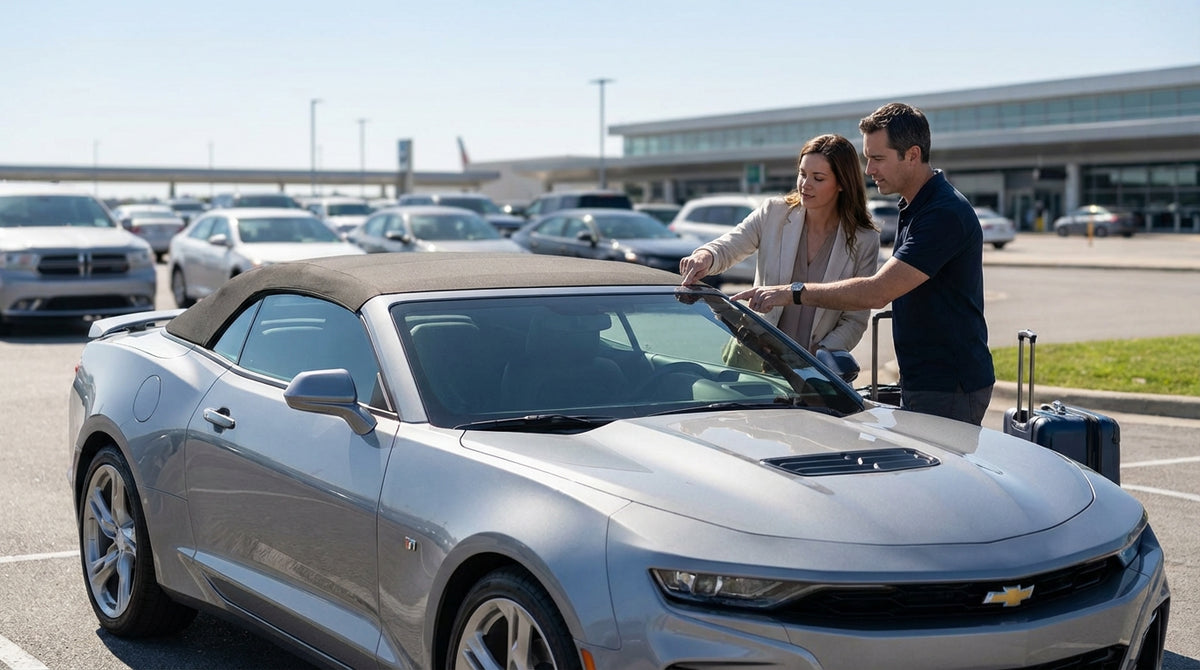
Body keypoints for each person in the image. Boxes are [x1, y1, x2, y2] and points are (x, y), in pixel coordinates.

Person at [727, 103, 994, 425]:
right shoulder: (916, 207)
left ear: (912, 154)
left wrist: (793, 292)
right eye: (868, 158)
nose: (869, 170)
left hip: (950, 384)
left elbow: (877, 292)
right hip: (926, 379)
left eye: (878, 159)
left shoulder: (942, 214)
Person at [678, 134, 880, 358]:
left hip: (817, 371)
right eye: (802, 174)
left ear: (842, 183)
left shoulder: (864, 239)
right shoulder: (773, 212)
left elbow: (855, 318)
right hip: (757, 358)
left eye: (818, 178)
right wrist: (706, 255)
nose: (805, 184)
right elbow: (731, 244)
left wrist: (821, 354)